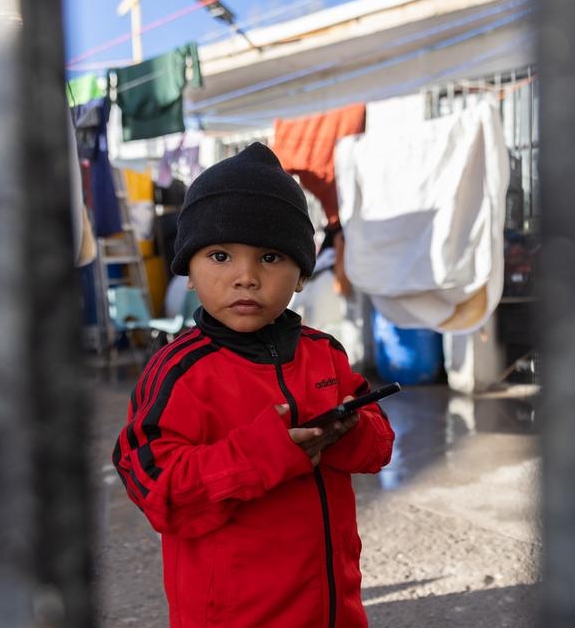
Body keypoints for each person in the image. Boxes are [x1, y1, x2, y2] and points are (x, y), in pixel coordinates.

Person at [112, 142, 395, 628]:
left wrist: (350, 433)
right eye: (220, 256)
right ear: (190, 273)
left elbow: (379, 448)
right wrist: (259, 458)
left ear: (301, 275)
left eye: (269, 257)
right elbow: (155, 487)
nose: (245, 277)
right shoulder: (179, 371)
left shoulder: (323, 352)